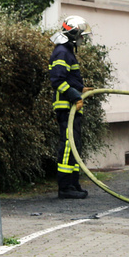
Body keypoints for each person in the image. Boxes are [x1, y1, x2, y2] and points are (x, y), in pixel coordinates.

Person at [49, 15, 93, 200]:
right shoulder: (62, 52)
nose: (83, 38)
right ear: (73, 33)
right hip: (66, 107)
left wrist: (81, 89)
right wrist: (75, 95)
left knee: (74, 146)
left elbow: (69, 79)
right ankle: (65, 187)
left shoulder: (67, 51)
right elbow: (57, 79)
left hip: (71, 107)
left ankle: (73, 184)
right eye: (82, 35)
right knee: (68, 146)